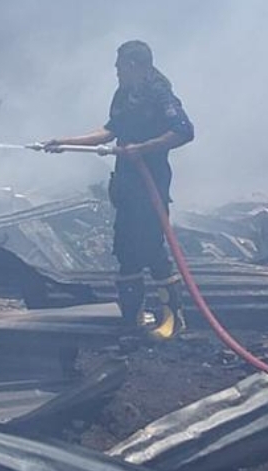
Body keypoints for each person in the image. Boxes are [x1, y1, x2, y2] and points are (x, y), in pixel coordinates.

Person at [43, 40, 194, 339]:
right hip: (125, 182)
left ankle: (174, 319)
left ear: (137, 66)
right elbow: (110, 131)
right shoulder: (124, 95)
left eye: (120, 65)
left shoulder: (160, 94)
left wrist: (144, 148)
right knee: (126, 249)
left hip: (151, 180)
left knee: (151, 246)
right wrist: (65, 143)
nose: (115, 70)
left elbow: (184, 131)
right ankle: (132, 319)